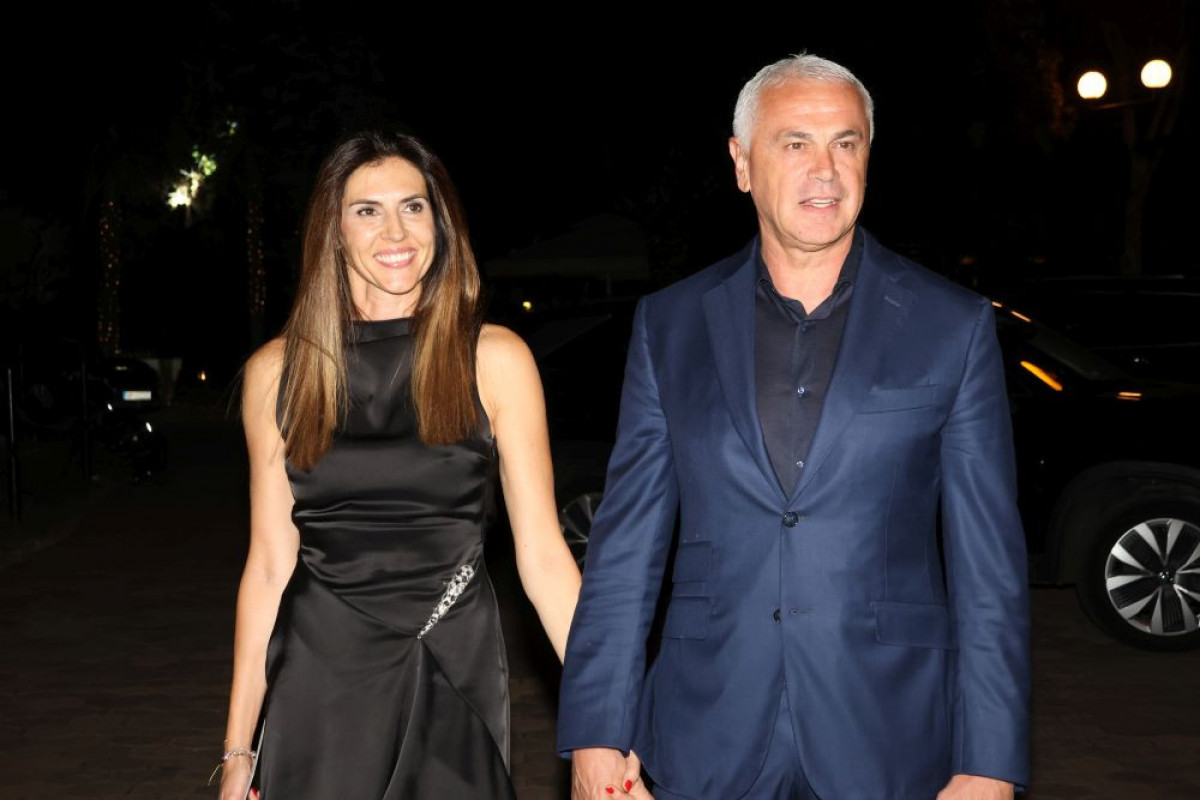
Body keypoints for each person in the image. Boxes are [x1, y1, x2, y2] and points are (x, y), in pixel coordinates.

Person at [557, 53, 1031, 799]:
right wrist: (595, 732)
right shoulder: (670, 326)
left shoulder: (951, 325)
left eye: (846, 143)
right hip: (704, 729)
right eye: (796, 143)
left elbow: (989, 568)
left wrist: (992, 761)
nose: (825, 170)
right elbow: (624, 552)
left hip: (889, 733)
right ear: (742, 163)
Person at [213, 128, 626, 799]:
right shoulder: (280, 373)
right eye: (367, 211)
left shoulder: (494, 358)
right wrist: (238, 751)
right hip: (320, 672)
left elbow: (546, 559)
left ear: (440, 221)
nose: (395, 232)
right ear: (333, 232)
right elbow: (267, 567)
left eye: (413, 206)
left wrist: (606, 722)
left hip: (450, 654)